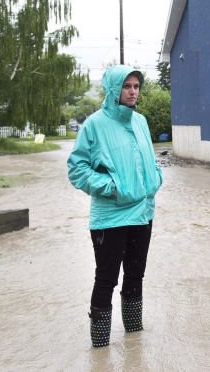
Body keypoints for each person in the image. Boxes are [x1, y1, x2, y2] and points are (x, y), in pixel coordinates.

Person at [67, 65, 163, 348]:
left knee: (136, 276)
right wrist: (114, 188)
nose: (133, 92)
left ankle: (134, 343)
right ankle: (100, 349)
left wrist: (155, 178)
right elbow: (77, 169)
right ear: (113, 90)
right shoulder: (94, 125)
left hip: (143, 213)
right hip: (110, 217)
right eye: (127, 86)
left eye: (136, 86)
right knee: (106, 279)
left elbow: (150, 160)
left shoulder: (141, 121)